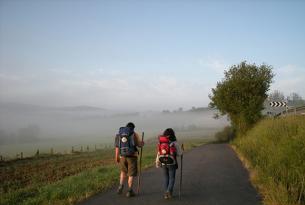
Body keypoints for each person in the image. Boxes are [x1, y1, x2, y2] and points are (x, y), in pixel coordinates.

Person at [115, 122, 144, 197]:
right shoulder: (134, 134)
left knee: (123, 172)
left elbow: (117, 147)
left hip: (122, 156)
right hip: (132, 157)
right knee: (131, 174)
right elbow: (138, 144)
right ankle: (129, 191)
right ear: (133, 128)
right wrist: (142, 143)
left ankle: (120, 186)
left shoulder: (119, 135)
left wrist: (117, 157)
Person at [156, 128, 182, 199]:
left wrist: (157, 162)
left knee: (166, 178)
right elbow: (180, 153)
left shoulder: (160, 143)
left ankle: (166, 194)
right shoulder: (174, 143)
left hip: (163, 162)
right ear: (172, 135)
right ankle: (168, 191)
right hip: (172, 162)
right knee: (172, 178)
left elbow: (158, 153)